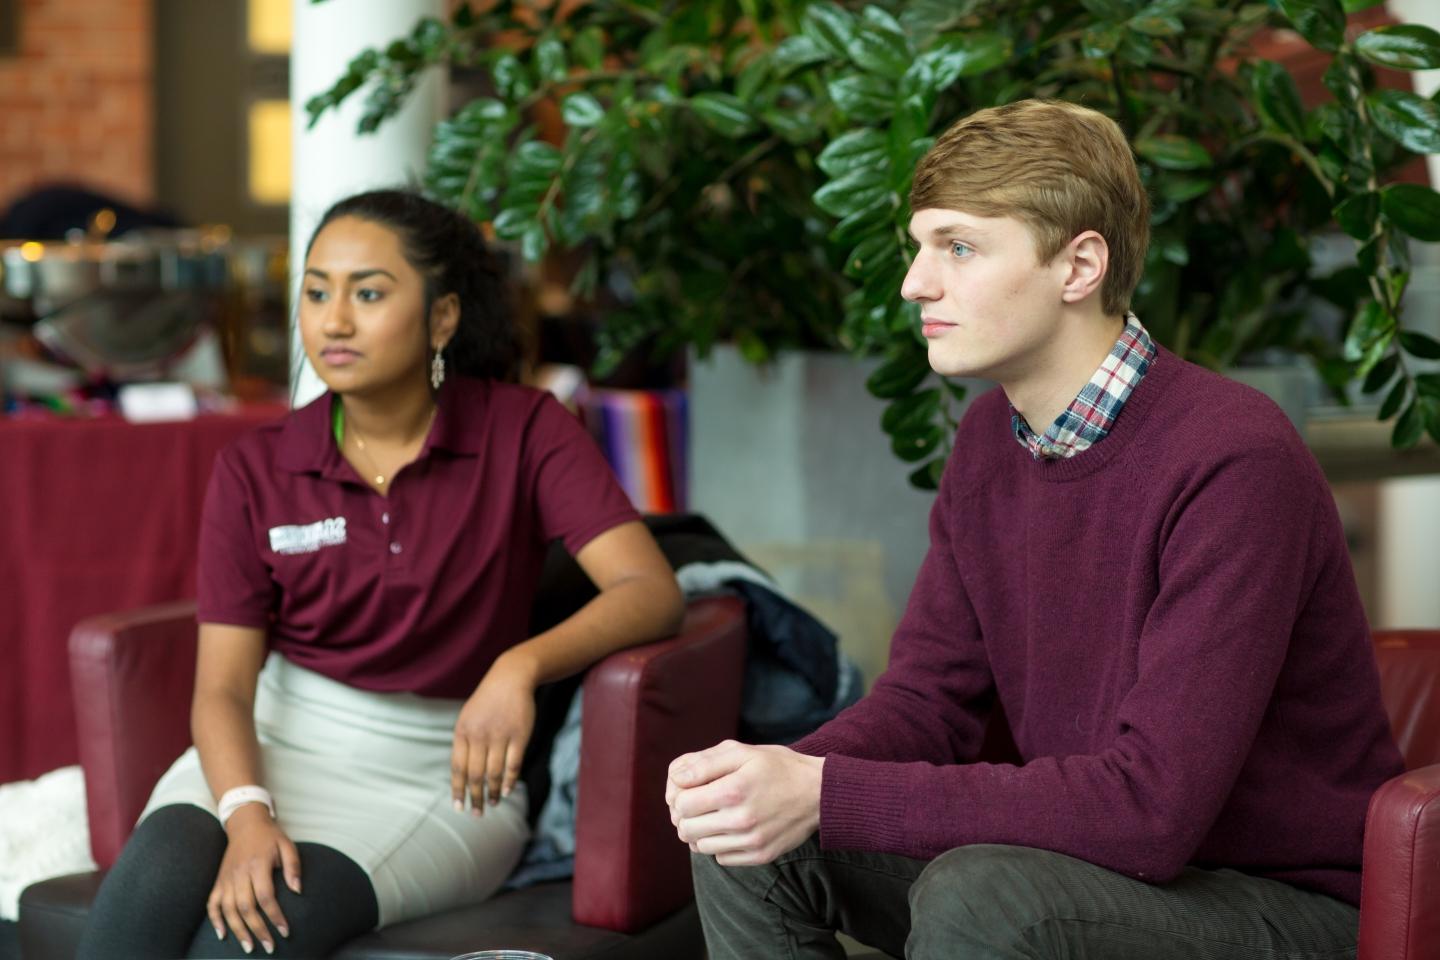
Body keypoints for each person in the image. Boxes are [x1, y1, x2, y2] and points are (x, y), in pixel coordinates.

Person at [666, 99, 1405, 959]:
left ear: (1079, 265)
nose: (915, 282)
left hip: (1286, 903)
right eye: (921, 245)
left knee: (984, 896)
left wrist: (827, 791)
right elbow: (925, 703)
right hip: (1100, 873)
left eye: (960, 247)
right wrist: (778, 783)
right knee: (749, 840)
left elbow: (1151, 811)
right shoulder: (988, 443)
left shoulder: (1234, 458)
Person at [79, 189, 685, 958]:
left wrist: (519, 666)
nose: (334, 321)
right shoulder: (256, 467)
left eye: (368, 293)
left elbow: (651, 592)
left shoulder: (526, 429)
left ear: (442, 317)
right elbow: (224, 690)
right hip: (269, 742)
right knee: (146, 892)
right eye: (316, 292)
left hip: (437, 778)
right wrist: (247, 811)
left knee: (245, 942)